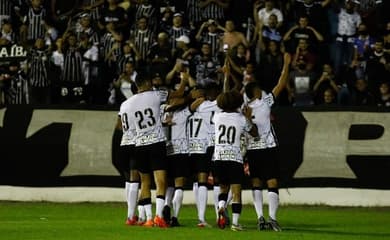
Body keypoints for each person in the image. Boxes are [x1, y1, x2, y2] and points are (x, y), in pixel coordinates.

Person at [244, 52, 290, 231]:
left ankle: (260, 218)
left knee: (256, 183)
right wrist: (286, 64)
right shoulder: (264, 103)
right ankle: (272, 218)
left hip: (253, 150)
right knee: (272, 182)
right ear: (255, 92)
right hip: (267, 148)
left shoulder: (244, 109)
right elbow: (282, 84)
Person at [122, 72, 169, 228]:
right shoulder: (155, 95)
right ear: (148, 83)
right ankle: (158, 216)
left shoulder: (128, 103)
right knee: (161, 181)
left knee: (144, 182)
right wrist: (183, 82)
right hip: (156, 143)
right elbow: (177, 95)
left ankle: (147, 218)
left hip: (139, 144)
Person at [213, 89, 258, 231]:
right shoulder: (241, 119)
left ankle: (221, 207)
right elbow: (254, 133)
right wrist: (248, 117)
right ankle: (235, 223)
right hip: (234, 158)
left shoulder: (217, 117)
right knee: (236, 192)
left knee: (223, 188)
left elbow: (225, 98)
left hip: (218, 158)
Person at [117, 102, 140, 226]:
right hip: (135, 143)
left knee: (128, 180)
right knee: (135, 179)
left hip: (124, 143)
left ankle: (131, 214)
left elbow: (118, 126)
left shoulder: (124, 105)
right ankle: (131, 216)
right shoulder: (140, 103)